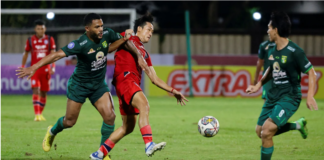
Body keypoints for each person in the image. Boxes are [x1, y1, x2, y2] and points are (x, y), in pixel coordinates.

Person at [16, 13, 145, 156]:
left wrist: (127, 40)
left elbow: (109, 47)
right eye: (97, 27)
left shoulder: (107, 34)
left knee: (110, 117)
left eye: (101, 25)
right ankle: (52, 131)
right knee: (70, 121)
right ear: (87, 28)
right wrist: (33, 67)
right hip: (79, 85)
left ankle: (103, 154)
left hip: (98, 85)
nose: (101, 29)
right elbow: (57, 54)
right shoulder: (80, 44)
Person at [90, 13, 188, 160]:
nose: (150, 33)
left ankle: (99, 154)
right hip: (126, 79)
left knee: (127, 127)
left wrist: (173, 91)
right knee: (145, 105)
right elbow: (110, 47)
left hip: (126, 84)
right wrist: (128, 38)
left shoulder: (146, 54)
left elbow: (154, 78)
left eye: (152, 32)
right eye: (148, 29)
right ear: (139, 29)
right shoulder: (127, 37)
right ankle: (148, 144)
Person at [246, 11, 318, 160]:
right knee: (259, 131)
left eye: (269, 27)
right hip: (273, 97)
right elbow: (271, 69)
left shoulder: (295, 51)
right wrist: (258, 84)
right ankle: (298, 125)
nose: (267, 31)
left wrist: (310, 96)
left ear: (276, 29)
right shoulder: (271, 50)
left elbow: (311, 72)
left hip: (289, 97)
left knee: (266, 132)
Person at [22, 19, 56, 121]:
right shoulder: (30, 40)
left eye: (42, 28)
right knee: (35, 90)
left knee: (44, 92)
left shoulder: (50, 39)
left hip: (45, 69)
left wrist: (53, 67)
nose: (41, 30)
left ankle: (40, 113)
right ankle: (36, 114)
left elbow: (53, 55)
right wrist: (23, 66)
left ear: (45, 29)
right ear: (35, 29)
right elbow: (26, 54)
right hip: (34, 70)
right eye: (38, 29)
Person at [254, 40, 275, 138]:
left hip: (277, 79)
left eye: (270, 28)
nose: (268, 31)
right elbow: (260, 61)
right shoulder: (264, 45)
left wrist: (255, 78)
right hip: (268, 78)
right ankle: (266, 126)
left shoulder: (285, 45)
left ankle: (266, 127)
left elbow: (260, 62)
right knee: (268, 101)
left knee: (269, 102)